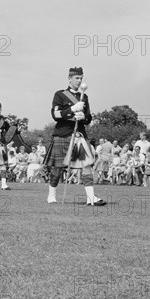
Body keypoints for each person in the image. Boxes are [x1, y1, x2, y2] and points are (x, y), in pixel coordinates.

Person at [43, 66, 105, 205]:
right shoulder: (59, 95)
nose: (79, 81)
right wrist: (71, 109)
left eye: (81, 78)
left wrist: (83, 116)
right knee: (58, 168)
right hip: (63, 134)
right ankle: (51, 195)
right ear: (69, 79)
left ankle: (91, 198)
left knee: (86, 165)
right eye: (77, 78)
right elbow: (55, 115)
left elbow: (89, 118)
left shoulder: (85, 97)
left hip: (79, 135)